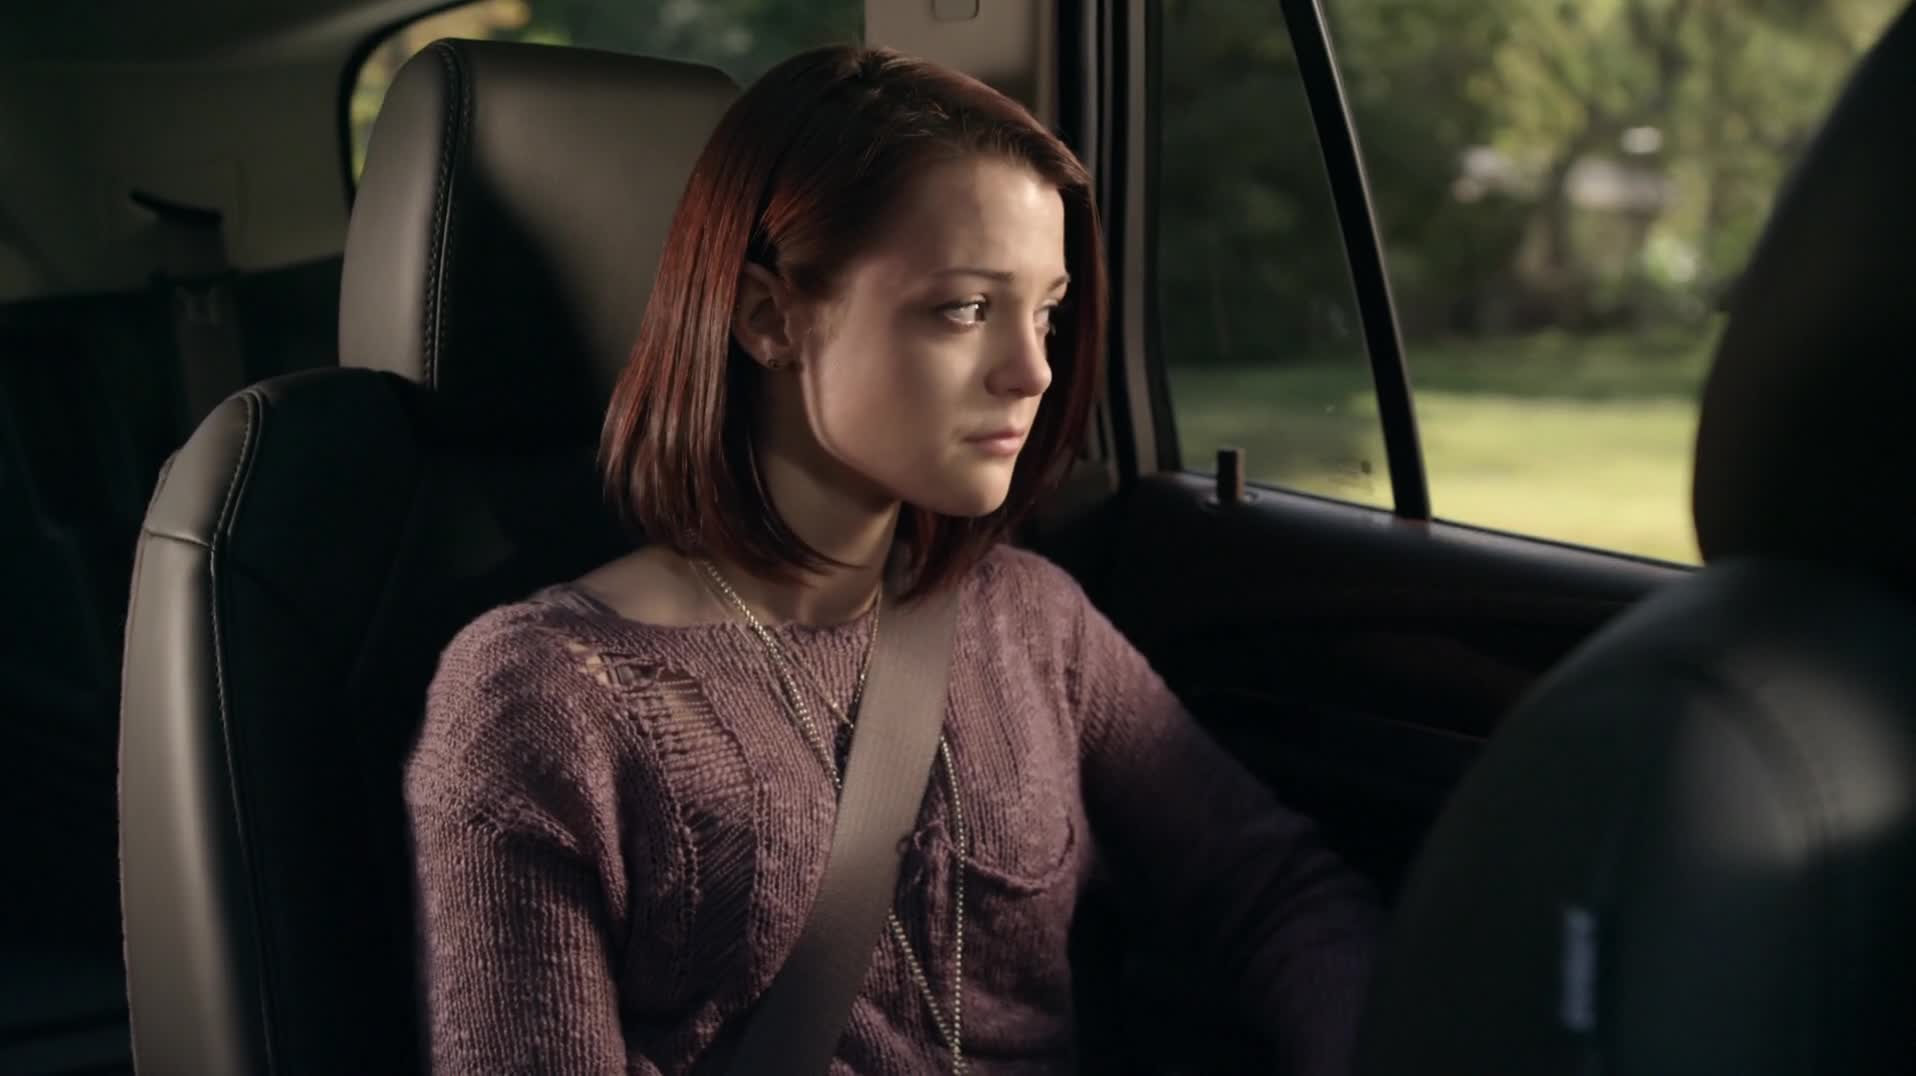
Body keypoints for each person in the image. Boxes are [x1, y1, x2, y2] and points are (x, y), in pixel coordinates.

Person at [404, 43, 1378, 1076]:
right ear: (771, 319)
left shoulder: (1028, 620)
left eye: (1045, 311)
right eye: (966, 308)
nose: (1034, 370)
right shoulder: (544, 699)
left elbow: (1272, 892)